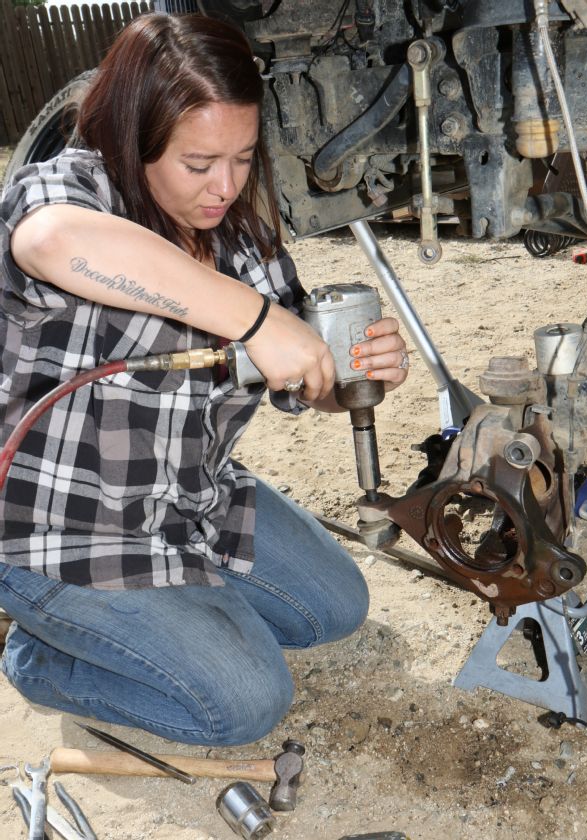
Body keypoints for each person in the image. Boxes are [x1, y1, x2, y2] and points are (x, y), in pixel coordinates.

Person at [0, 13, 408, 746]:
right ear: (135, 136)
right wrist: (255, 318)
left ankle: (168, 616)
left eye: (244, 158)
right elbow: (49, 240)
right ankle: (41, 655)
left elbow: (299, 378)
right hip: (57, 530)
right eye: (198, 164)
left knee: (332, 609)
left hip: (188, 495)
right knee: (244, 702)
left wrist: (346, 373)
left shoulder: (239, 236)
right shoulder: (73, 190)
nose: (225, 186)